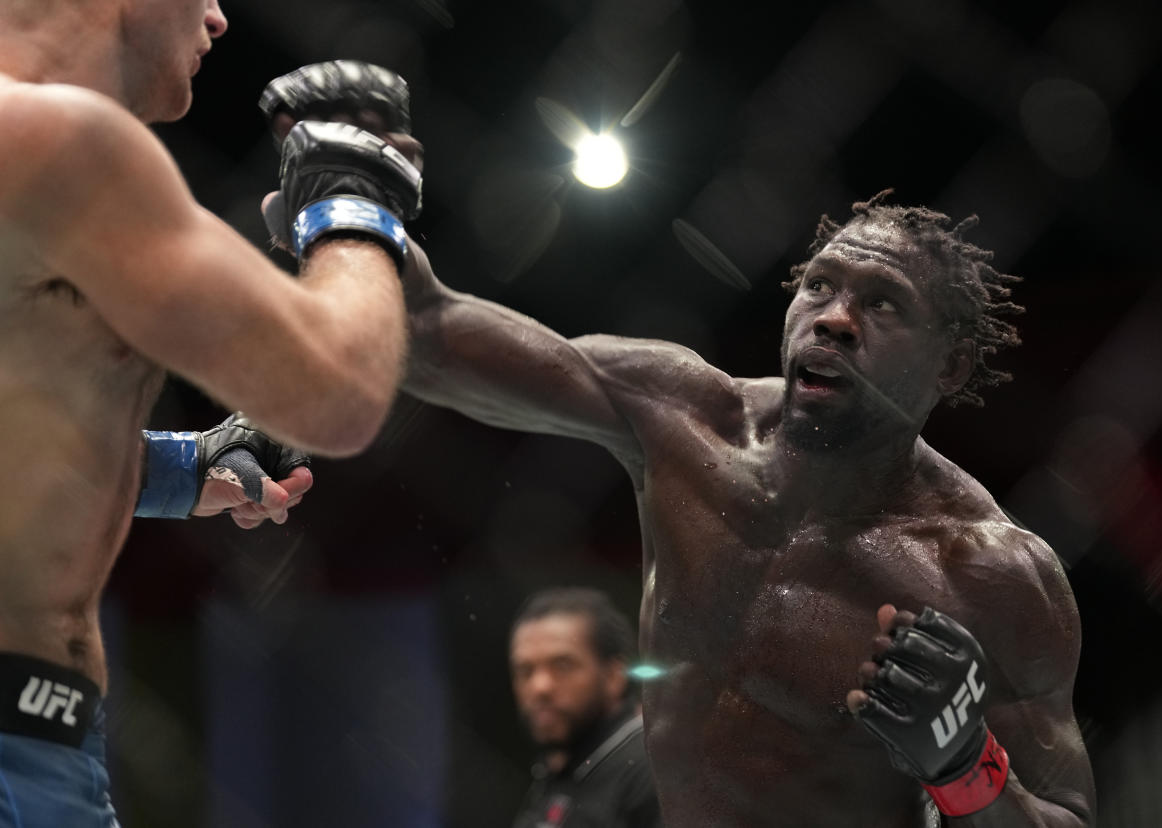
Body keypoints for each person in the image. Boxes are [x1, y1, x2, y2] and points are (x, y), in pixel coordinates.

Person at [394, 189, 1099, 825]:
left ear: (950, 365)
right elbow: (427, 334)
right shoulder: (682, 419)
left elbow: (1067, 818)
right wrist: (354, 212)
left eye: (884, 303)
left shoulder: (989, 572)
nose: (836, 320)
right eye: (819, 286)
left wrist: (967, 766)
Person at [0, 2, 423, 823]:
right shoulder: (53, 140)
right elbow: (338, 390)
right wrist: (352, 199)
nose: (220, 17)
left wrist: (180, 469)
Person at [509, 588, 661, 828]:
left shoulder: (653, 770)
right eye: (525, 671)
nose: (540, 687)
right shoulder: (559, 769)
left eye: (562, 665)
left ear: (613, 675)